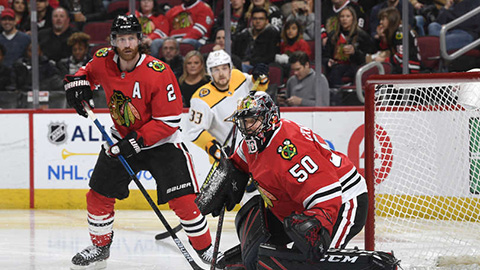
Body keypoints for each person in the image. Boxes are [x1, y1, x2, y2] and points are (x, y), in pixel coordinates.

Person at [63, 14, 221, 269]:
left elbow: (168, 121)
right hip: (122, 138)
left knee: (183, 200)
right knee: (98, 194)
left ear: (139, 40)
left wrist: (136, 141)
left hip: (162, 143)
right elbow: (86, 74)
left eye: (131, 38)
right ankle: (100, 246)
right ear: (113, 41)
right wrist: (77, 84)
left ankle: (205, 249)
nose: (127, 44)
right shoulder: (103, 59)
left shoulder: (158, 72)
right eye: (121, 39)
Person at [203, 91, 368, 268]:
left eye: (252, 121)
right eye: (244, 122)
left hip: (343, 202)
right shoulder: (254, 142)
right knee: (261, 251)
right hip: (298, 205)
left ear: (269, 119)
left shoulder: (290, 152)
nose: (247, 127)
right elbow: (238, 165)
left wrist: (315, 228)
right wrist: (226, 179)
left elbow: (328, 195)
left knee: (314, 263)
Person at [185, 49, 269, 164]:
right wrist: (213, 147)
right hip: (229, 159)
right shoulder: (201, 99)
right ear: (209, 72)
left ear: (230, 69)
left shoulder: (237, 76)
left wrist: (260, 78)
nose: (221, 74)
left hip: (255, 150)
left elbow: (257, 89)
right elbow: (193, 131)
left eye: (224, 68)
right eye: (216, 70)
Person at [323, 6, 375, 87]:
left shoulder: (362, 35)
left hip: (355, 66)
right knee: (335, 70)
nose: (344, 19)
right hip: (336, 66)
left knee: (338, 71)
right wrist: (328, 61)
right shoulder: (333, 35)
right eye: (342, 16)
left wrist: (355, 52)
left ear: (353, 19)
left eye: (347, 16)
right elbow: (325, 55)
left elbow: (368, 56)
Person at [374, 7, 421, 74]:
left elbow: (401, 56)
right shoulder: (395, 31)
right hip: (403, 65)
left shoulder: (400, 32)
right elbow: (388, 50)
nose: (380, 22)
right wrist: (382, 37)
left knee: (383, 71)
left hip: (410, 66)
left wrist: (384, 60)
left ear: (391, 19)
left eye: (383, 19)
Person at [232, 7, 280, 72]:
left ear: (267, 21)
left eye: (261, 19)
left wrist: (250, 62)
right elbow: (235, 52)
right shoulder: (244, 34)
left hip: (260, 67)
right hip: (240, 64)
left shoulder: (272, 34)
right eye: (255, 19)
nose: (257, 21)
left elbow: (270, 57)